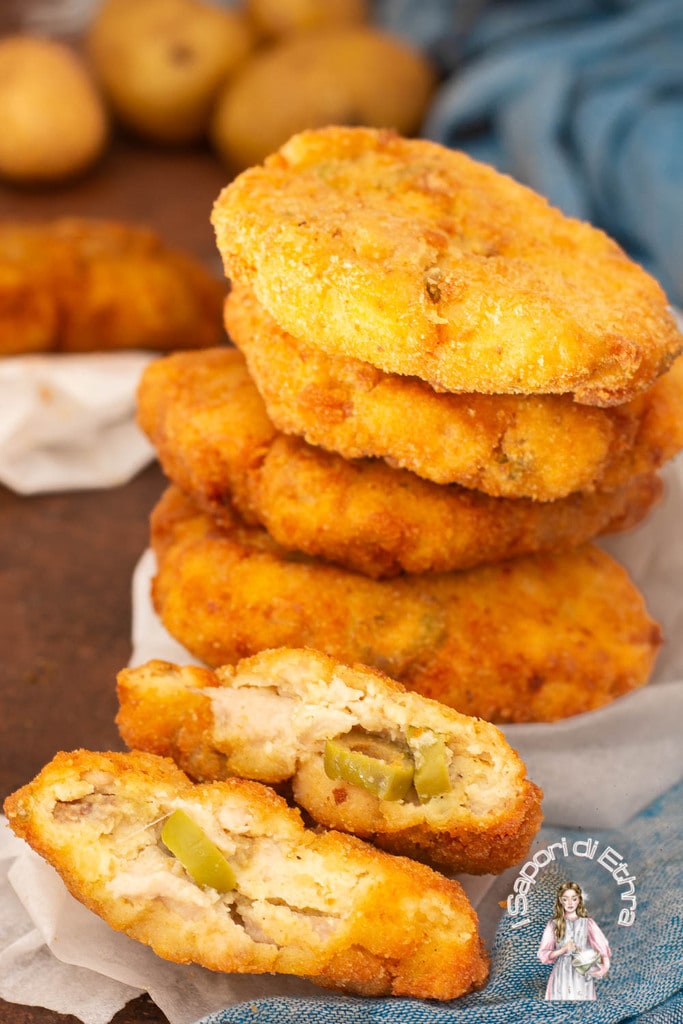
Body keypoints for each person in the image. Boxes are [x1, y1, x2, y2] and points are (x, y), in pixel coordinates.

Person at [537, 881, 611, 1000]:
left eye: (574, 899)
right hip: (562, 973)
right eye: (566, 899)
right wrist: (563, 950)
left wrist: (603, 968)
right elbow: (544, 953)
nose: (570, 903)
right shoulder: (553, 924)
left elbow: (602, 949)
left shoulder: (587, 923)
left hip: (581, 970)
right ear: (561, 901)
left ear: (579, 900)